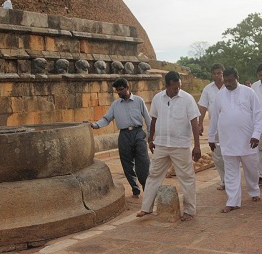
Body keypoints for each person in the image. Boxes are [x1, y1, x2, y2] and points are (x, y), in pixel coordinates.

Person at [137, 71, 201, 221]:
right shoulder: (158, 98)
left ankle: (190, 211)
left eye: (179, 86)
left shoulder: (187, 99)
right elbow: (154, 120)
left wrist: (197, 145)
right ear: (166, 86)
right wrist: (151, 139)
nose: (177, 89)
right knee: (153, 175)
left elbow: (194, 122)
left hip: (181, 145)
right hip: (161, 144)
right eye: (174, 87)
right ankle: (146, 208)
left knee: (186, 177)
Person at [208, 67, 262, 213]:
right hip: (227, 141)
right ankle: (233, 201)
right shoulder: (220, 96)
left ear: (237, 78)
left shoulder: (248, 92)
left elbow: (258, 115)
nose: (227, 83)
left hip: (248, 140)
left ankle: (254, 191)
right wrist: (211, 137)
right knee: (231, 172)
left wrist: (256, 135)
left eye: (230, 81)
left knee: (251, 170)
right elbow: (214, 118)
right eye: (225, 81)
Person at [90, 78, 151, 198]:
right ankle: (135, 188)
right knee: (127, 164)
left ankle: (147, 189)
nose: (119, 93)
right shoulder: (115, 105)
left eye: (121, 90)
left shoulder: (139, 100)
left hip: (138, 133)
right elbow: (107, 119)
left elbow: (148, 119)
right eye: (117, 91)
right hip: (124, 135)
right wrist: (95, 125)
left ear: (128, 88)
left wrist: (150, 136)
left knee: (143, 163)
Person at [198, 63, 226, 190]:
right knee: (217, 155)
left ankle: (233, 180)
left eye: (219, 73)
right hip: (215, 128)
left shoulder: (230, 86)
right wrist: (200, 123)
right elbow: (203, 106)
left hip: (231, 127)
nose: (217, 76)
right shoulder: (208, 89)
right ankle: (224, 180)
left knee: (231, 154)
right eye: (215, 73)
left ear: (223, 73)